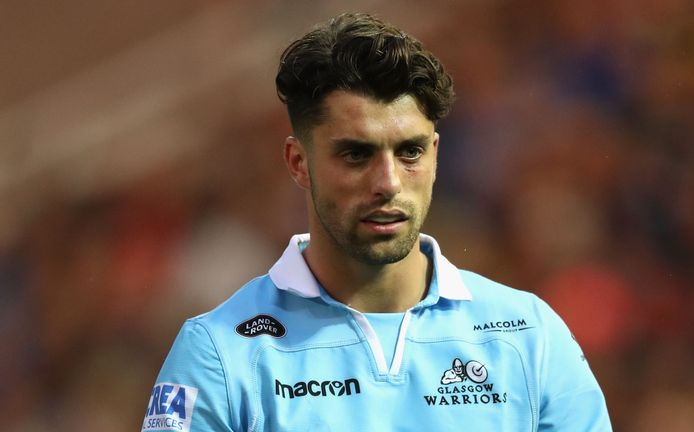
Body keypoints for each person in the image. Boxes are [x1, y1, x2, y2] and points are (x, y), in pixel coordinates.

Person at [142, 12, 612, 431]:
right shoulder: (220, 355)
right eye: (356, 154)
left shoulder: (529, 335)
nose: (387, 182)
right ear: (298, 162)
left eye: (409, 152)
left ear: (435, 155)